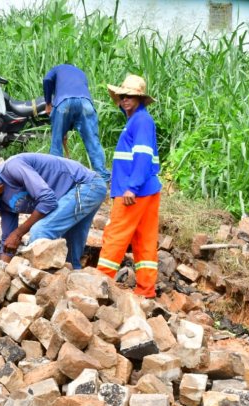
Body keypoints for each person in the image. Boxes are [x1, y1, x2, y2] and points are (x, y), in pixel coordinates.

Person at [0, 153, 107, 269]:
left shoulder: (12, 168)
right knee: (70, 257)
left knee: (41, 231)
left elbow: (47, 199)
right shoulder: (2, 201)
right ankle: (76, 290)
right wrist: (0, 273)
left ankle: (37, 291)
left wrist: (19, 233)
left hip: (87, 185)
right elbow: (8, 241)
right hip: (72, 195)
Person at [96, 75, 161, 298]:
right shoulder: (137, 120)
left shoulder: (141, 121)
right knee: (145, 240)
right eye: (123, 96)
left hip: (134, 192)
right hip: (147, 190)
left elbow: (142, 156)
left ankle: (99, 282)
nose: (125, 100)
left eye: (130, 97)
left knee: (115, 234)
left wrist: (132, 187)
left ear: (140, 99)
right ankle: (146, 289)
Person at [43, 63, 108, 179]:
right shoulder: (81, 73)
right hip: (85, 103)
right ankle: (103, 177)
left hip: (63, 103)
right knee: (93, 141)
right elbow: (76, 101)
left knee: (56, 142)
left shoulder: (57, 68)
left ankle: (56, 178)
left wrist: (48, 103)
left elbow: (47, 79)